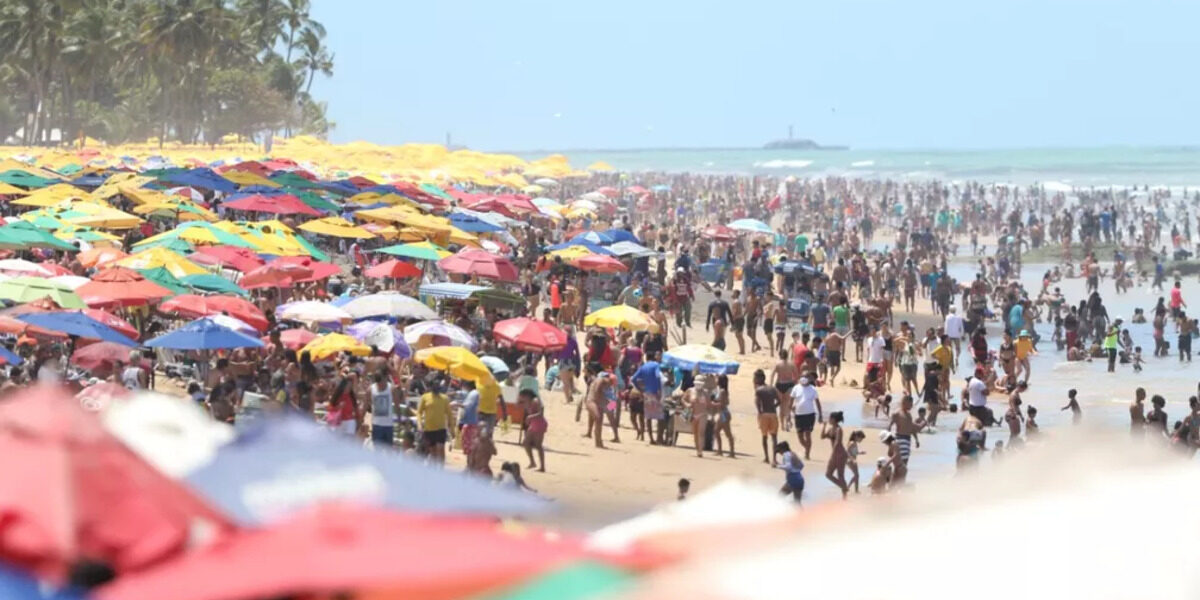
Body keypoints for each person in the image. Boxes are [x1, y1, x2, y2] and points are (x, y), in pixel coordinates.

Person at [417, 378, 452, 464]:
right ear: (431, 387)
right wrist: (420, 425)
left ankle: (441, 470)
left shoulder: (445, 399)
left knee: (440, 449)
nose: (436, 388)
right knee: (433, 452)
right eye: (435, 386)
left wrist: (452, 429)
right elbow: (419, 412)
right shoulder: (425, 397)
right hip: (429, 429)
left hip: (440, 429)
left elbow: (449, 414)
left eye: (438, 386)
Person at [789, 376, 822, 459]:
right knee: (800, 437)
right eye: (802, 377)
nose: (803, 379)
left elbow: (817, 402)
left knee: (808, 435)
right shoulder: (796, 388)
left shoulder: (812, 389)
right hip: (798, 415)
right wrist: (788, 415)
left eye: (805, 377)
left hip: (810, 415)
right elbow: (790, 402)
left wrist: (820, 414)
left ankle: (807, 454)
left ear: (809, 379)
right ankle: (807, 448)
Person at [753, 369, 780, 465]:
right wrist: (774, 407)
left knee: (764, 437)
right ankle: (774, 459)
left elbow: (757, 403)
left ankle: (767, 457)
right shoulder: (772, 389)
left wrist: (760, 412)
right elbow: (779, 401)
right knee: (774, 437)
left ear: (759, 378)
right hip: (773, 414)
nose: (754, 379)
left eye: (755, 378)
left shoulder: (758, 390)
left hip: (764, 414)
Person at [820, 411, 850, 498]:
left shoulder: (839, 429)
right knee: (828, 474)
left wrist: (833, 454)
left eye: (829, 418)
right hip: (835, 454)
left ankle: (844, 496)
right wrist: (824, 426)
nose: (828, 420)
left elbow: (837, 442)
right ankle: (844, 487)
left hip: (840, 454)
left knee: (840, 475)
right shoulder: (831, 429)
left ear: (833, 419)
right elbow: (822, 437)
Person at [518, 389, 547, 472]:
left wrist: (530, 417)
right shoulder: (528, 402)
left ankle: (542, 467)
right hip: (533, 424)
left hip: (539, 424)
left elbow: (541, 413)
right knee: (526, 443)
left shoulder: (536, 401)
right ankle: (532, 462)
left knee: (538, 445)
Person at [368, 370, 397, 449]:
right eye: (378, 382)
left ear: (385, 378)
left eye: (381, 381)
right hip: (376, 425)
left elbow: (397, 405)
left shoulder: (391, 388)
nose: (380, 385)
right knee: (377, 450)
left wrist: (400, 419)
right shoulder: (371, 389)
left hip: (388, 425)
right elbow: (365, 404)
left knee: (389, 450)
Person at [713, 374, 735, 458]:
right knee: (717, 431)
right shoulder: (722, 390)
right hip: (723, 413)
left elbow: (721, 404)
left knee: (727, 433)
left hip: (723, 414)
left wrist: (712, 404)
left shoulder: (722, 391)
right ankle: (721, 451)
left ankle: (730, 452)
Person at [846, 430, 865, 494]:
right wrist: (852, 459)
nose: (861, 440)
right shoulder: (852, 443)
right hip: (850, 461)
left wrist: (860, 453)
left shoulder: (854, 443)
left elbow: (854, 452)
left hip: (852, 460)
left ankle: (855, 490)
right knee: (856, 475)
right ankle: (848, 487)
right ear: (856, 436)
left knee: (856, 475)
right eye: (861, 438)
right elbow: (847, 452)